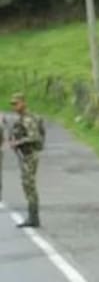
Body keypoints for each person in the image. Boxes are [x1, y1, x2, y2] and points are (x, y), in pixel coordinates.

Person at [8, 92, 43, 227]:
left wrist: (18, 143)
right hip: (25, 156)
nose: (14, 107)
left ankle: (34, 218)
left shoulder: (28, 119)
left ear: (23, 103)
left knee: (29, 185)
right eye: (12, 104)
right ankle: (32, 217)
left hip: (30, 155)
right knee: (26, 185)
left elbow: (35, 137)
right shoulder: (21, 119)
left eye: (16, 103)